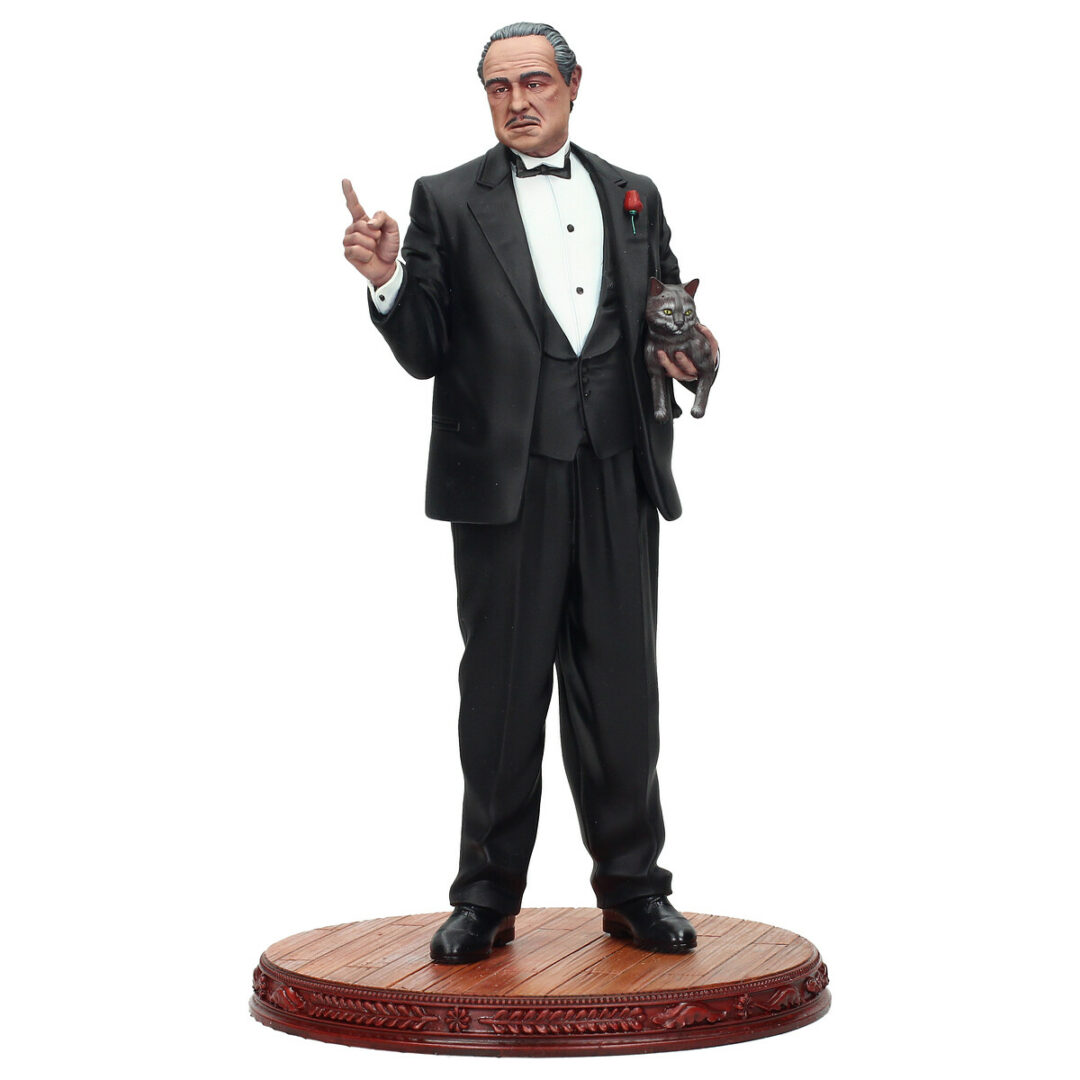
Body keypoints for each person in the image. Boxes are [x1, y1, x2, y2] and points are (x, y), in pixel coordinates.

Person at [342, 21, 718, 964]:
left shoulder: (635, 194)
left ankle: (635, 889)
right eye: (499, 87)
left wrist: (690, 353)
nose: (518, 101)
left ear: (574, 86)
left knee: (623, 689)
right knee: (502, 694)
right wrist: (388, 281)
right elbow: (427, 349)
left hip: (619, 468)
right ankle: (485, 899)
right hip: (504, 482)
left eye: (536, 82)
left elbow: (664, 311)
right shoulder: (445, 200)